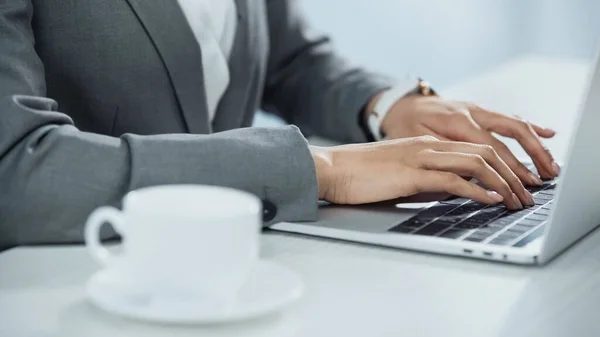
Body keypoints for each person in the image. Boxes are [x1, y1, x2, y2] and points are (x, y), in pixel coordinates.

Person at [0, 0, 558, 247]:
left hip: (243, 273)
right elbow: (17, 170)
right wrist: (322, 169)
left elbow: (289, 60)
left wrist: (388, 106)